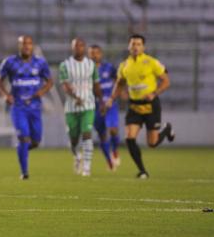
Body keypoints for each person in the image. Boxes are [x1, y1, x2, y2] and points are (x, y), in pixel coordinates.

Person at [106, 34, 175, 179]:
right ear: (128, 47)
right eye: (133, 44)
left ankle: (167, 129)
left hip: (151, 106)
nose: (135, 47)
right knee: (129, 138)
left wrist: (154, 93)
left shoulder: (151, 62)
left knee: (152, 143)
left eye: (138, 44)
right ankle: (142, 170)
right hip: (135, 106)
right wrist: (112, 98)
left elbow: (166, 81)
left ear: (143, 47)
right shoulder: (124, 65)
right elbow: (119, 84)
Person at [0, 35, 53, 180]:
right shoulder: (10, 62)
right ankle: (24, 172)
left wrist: (41, 92)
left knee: (36, 141)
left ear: (32, 46)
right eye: (23, 43)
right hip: (18, 106)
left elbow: (50, 81)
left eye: (29, 43)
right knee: (23, 136)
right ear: (19, 46)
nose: (26, 46)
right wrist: (6, 95)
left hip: (35, 107)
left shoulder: (40, 63)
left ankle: (22, 148)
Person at [59, 38, 103, 176]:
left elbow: (96, 85)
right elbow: (65, 86)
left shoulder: (91, 65)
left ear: (84, 48)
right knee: (74, 139)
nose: (79, 48)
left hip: (88, 106)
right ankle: (77, 155)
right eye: (76, 46)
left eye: (81, 45)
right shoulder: (65, 65)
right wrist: (76, 97)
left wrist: (102, 101)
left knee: (87, 134)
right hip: (71, 108)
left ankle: (87, 168)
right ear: (72, 48)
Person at [88, 45, 120, 170]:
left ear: (100, 54)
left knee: (113, 129)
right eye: (91, 53)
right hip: (94, 106)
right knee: (102, 135)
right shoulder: (86, 70)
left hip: (110, 104)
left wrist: (120, 92)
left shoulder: (109, 67)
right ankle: (109, 160)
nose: (94, 55)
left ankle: (115, 150)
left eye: (96, 53)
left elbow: (118, 79)